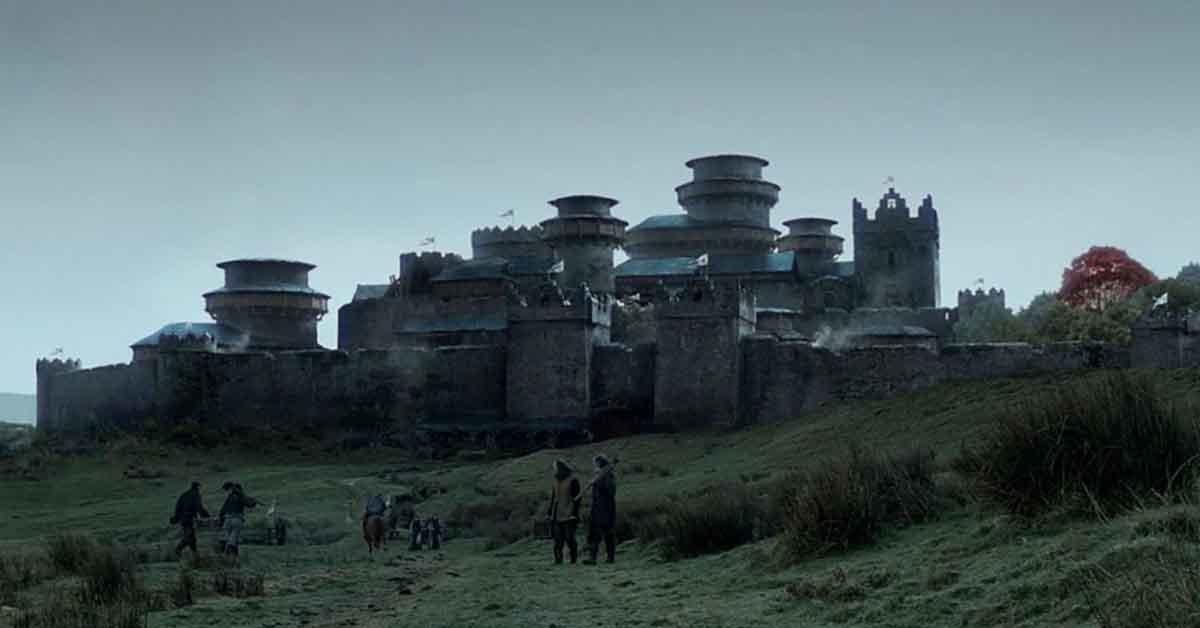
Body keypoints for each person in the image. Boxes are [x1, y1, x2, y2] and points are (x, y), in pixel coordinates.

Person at [546, 459, 581, 565]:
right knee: (557, 540)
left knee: (569, 538)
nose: (554, 470)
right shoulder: (555, 481)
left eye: (555, 467)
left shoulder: (573, 480)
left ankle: (573, 559)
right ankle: (558, 560)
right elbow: (553, 498)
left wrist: (574, 514)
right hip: (557, 514)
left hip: (569, 514)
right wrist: (549, 512)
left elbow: (577, 499)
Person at [583, 455, 617, 565]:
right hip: (596, 508)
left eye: (596, 463)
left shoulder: (608, 475)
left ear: (600, 463)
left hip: (606, 508)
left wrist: (599, 482)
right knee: (593, 533)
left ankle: (610, 558)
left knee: (608, 533)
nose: (595, 465)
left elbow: (611, 491)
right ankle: (592, 558)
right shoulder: (599, 475)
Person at [218, 481, 258, 561]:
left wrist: (221, 522)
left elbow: (222, 511)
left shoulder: (229, 497)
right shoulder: (240, 496)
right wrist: (254, 501)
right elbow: (249, 504)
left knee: (228, 538)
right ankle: (230, 556)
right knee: (233, 540)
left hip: (227, 520)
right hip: (237, 519)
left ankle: (230, 556)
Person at [171, 481, 210, 558]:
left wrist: (177, 517)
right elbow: (198, 506)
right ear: (197, 487)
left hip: (183, 519)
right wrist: (206, 515)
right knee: (189, 536)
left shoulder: (184, 495)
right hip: (189, 518)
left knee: (192, 538)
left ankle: (195, 555)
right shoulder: (195, 494)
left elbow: (178, 507)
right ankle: (178, 549)